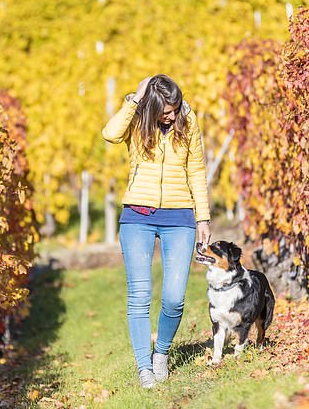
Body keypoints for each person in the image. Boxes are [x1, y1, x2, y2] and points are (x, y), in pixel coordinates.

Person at [102, 74, 211, 388]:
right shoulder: (136, 120)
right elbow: (110, 134)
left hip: (180, 216)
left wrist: (203, 219)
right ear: (150, 106)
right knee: (139, 297)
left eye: (175, 107)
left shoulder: (188, 122)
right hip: (137, 215)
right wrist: (135, 99)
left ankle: (161, 352)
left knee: (175, 298)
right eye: (165, 109)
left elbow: (197, 170)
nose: (172, 114)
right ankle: (144, 368)